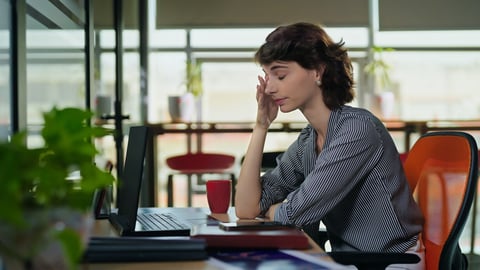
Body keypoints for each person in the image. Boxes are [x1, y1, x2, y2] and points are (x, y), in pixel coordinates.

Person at [235, 22, 425, 269]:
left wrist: (276, 210)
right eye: (267, 75)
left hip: (392, 262)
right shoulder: (309, 140)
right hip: (352, 261)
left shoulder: (358, 130)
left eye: (280, 75)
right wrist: (261, 125)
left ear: (317, 71)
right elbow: (247, 208)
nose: (269, 88)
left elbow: (293, 214)